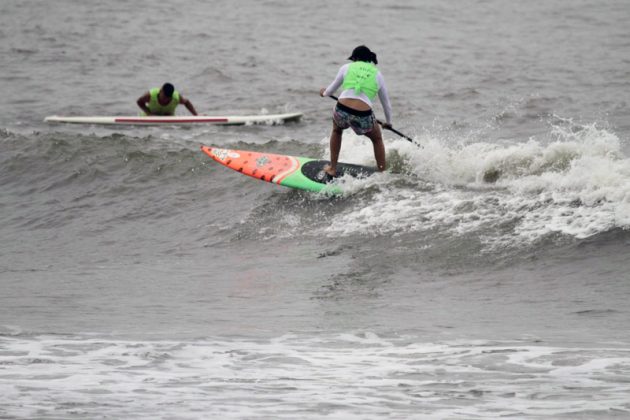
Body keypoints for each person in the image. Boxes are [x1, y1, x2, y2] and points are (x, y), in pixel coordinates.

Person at [319, 45, 393, 176]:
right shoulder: (378, 74)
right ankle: (383, 174)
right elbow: (386, 103)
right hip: (362, 114)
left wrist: (323, 93)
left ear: (355, 58)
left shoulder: (346, 68)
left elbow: (330, 91)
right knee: (377, 139)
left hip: (341, 109)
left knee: (337, 130)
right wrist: (388, 122)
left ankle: (332, 168)